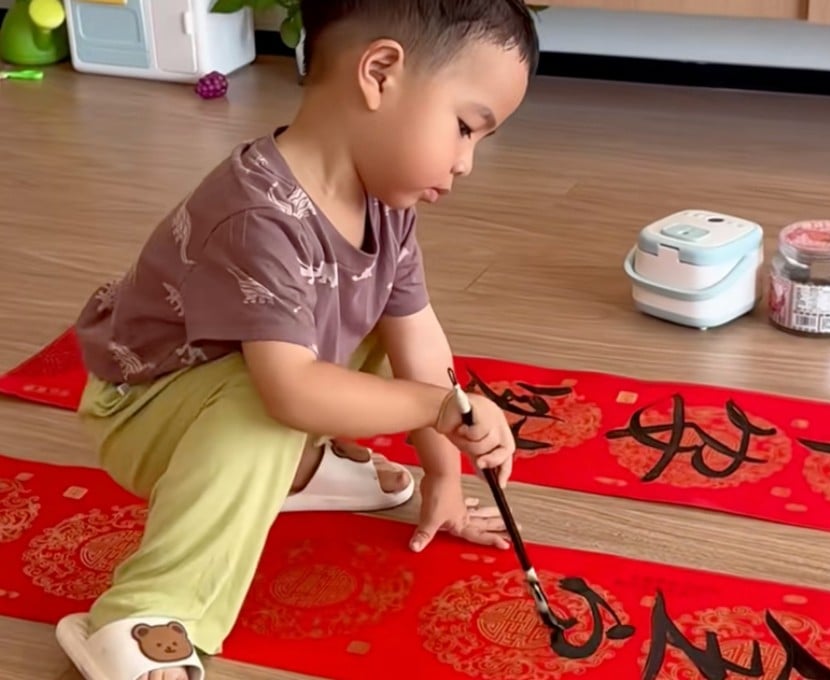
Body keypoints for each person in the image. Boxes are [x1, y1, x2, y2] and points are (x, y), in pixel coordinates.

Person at [55, 1, 539, 678]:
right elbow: (291, 392)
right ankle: (144, 611)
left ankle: (302, 467)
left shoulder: (384, 204)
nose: (466, 163)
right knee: (274, 400)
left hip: (248, 376)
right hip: (142, 408)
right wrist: (435, 410)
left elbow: (420, 346)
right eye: (464, 128)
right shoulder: (256, 213)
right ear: (379, 73)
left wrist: (443, 475)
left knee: (362, 318)